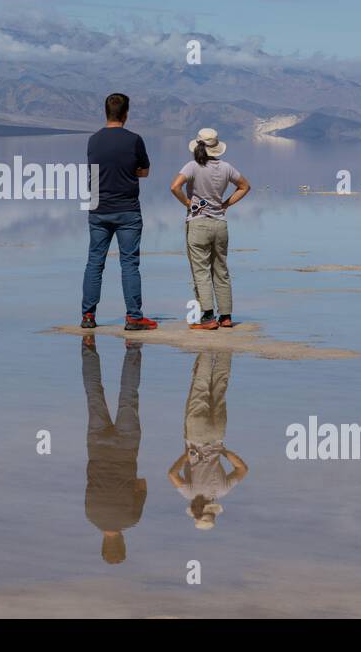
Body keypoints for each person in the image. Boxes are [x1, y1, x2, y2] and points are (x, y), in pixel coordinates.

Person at [81, 93, 157, 331]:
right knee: (130, 263)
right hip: (127, 210)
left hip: (98, 208)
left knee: (95, 262)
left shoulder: (93, 140)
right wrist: (128, 173)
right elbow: (144, 172)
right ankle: (134, 317)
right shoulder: (134, 139)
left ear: (106, 112)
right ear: (126, 114)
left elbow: (91, 178)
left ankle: (88, 316)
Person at [170, 128, 250, 330]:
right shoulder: (226, 167)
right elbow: (244, 186)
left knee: (201, 271)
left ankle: (207, 317)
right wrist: (225, 204)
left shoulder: (192, 166)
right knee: (221, 270)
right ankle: (225, 316)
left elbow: (174, 187)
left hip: (198, 223)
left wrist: (188, 203)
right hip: (220, 224)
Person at [82, 335, 146, 564]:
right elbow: (90, 483)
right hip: (97, 450)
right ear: (103, 544)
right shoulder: (91, 515)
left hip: (126, 451)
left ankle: (132, 348)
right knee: (94, 395)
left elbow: (141, 484)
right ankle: (88, 346)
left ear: (123, 544)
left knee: (128, 397)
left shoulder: (131, 518)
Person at [167, 352, 247, 531]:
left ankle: (225, 346)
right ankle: (207, 345)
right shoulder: (188, 493)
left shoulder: (223, 490)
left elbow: (242, 469)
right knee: (201, 387)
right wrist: (186, 457)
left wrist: (224, 451)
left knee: (220, 387)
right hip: (195, 435)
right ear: (198, 511)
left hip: (217, 435)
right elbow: (172, 474)